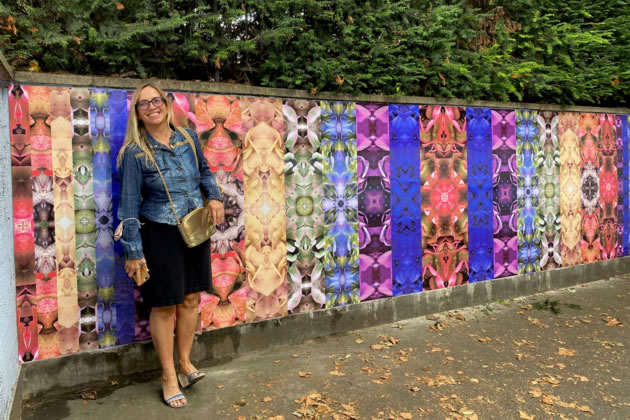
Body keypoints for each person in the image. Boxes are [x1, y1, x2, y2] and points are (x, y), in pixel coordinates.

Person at [117, 83, 224, 408]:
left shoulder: (189, 137)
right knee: (164, 305)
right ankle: (167, 376)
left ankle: (185, 363)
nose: (151, 107)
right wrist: (134, 252)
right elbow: (129, 206)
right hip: (159, 232)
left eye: (156, 100)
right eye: (143, 103)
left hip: (194, 228)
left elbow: (204, 173)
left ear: (166, 103)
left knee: (191, 298)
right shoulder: (135, 154)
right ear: (137, 113)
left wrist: (215, 196)